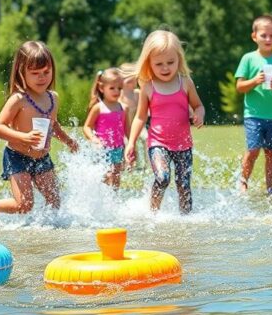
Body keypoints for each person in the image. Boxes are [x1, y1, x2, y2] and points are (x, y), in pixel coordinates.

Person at [0, 41, 78, 219]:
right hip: (17, 156)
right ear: (21, 72)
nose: (42, 77)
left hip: (42, 157)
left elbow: (53, 125)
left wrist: (68, 141)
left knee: (54, 202)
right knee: (24, 204)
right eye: (35, 73)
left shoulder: (53, 98)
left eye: (46, 72)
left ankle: (43, 229)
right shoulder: (19, 99)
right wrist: (24, 137)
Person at [124, 30, 205, 214]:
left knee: (184, 185)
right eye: (158, 64)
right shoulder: (148, 87)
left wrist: (199, 114)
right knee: (162, 178)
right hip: (158, 143)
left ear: (179, 59)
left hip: (183, 144)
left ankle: (186, 218)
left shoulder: (185, 83)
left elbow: (199, 106)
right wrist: (131, 142)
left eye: (170, 62)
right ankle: (153, 213)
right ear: (149, 63)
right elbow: (140, 117)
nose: (165, 68)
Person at [234, 15, 272, 194]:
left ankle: (270, 187)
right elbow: (239, 86)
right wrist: (254, 80)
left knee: (270, 152)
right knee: (253, 150)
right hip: (253, 114)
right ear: (254, 36)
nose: (268, 39)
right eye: (263, 35)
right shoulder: (248, 59)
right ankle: (243, 181)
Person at [83, 67, 130, 189]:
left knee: (116, 179)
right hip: (102, 150)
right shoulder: (98, 108)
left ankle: (113, 204)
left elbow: (128, 130)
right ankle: (101, 201)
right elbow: (87, 127)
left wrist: (131, 146)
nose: (116, 91)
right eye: (112, 88)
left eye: (119, 88)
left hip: (118, 149)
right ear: (101, 88)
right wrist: (94, 139)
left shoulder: (123, 108)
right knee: (106, 176)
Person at [119, 62, 144, 170]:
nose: (132, 83)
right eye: (129, 81)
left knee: (145, 138)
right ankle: (127, 163)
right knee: (125, 142)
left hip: (138, 125)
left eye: (134, 80)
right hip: (123, 127)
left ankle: (146, 164)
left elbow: (142, 112)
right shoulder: (119, 94)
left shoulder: (137, 93)